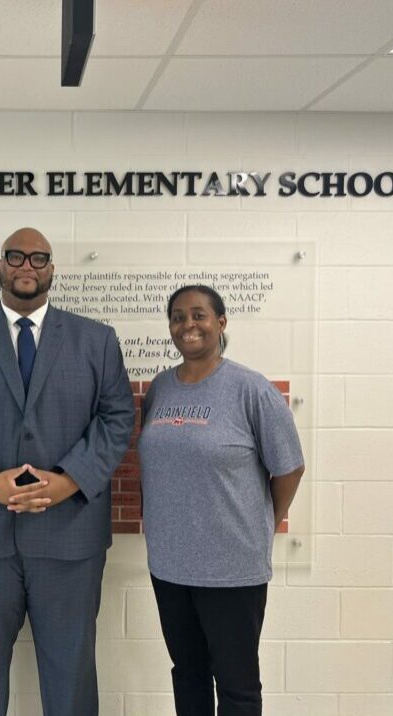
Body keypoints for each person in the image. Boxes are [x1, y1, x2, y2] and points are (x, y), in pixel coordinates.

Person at [0, 227, 135, 716]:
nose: (27, 266)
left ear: (53, 270)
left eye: (39, 258)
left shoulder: (96, 341)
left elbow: (118, 417)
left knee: (72, 673)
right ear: (0, 267)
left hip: (70, 539)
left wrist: (70, 479)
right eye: (16, 257)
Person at [138, 285, 305, 716]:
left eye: (198, 315)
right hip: (170, 566)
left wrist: (261, 523)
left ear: (221, 322)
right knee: (188, 673)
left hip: (232, 568)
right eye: (177, 317)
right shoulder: (160, 389)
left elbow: (289, 468)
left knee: (237, 686)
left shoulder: (251, 390)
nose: (187, 325)